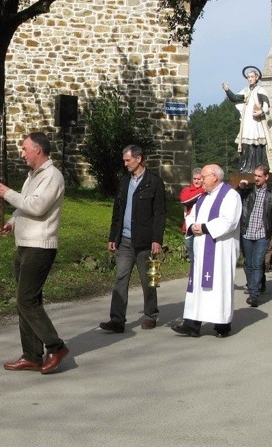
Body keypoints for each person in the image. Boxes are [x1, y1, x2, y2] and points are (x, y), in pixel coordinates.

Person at [0, 132, 69, 374]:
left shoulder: (52, 176)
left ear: (38, 149)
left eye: (25, 148)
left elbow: (37, 206)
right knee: (28, 300)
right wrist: (11, 222)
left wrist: (8, 194)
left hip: (41, 246)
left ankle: (56, 347)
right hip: (25, 244)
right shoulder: (32, 177)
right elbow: (25, 205)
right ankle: (32, 354)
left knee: (25, 299)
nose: (22, 153)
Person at [100, 144, 166, 332]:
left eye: (128, 160)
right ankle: (117, 320)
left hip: (145, 242)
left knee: (147, 280)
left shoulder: (154, 182)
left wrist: (157, 239)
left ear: (139, 159)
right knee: (120, 278)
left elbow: (160, 213)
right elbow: (117, 211)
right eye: (124, 160)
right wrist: (113, 236)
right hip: (125, 241)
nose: (125, 164)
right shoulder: (124, 182)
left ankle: (150, 315)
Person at [172, 164, 241, 337]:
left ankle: (222, 325)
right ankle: (192, 324)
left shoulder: (231, 196)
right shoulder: (203, 197)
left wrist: (204, 227)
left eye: (203, 177)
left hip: (220, 251)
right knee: (197, 286)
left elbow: (229, 221)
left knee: (219, 285)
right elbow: (191, 216)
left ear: (215, 177)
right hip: (201, 248)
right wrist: (193, 226)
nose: (200, 180)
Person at [238, 164, 272, 307]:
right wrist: (240, 187)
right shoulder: (248, 191)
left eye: (259, 176)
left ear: (266, 177)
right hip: (247, 232)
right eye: (255, 176)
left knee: (257, 264)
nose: (256, 178)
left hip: (263, 233)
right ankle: (252, 287)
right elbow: (235, 199)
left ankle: (254, 294)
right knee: (248, 264)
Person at [221, 66, 271, 173]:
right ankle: (245, 167)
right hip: (247, 121)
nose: (250, 79)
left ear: (256, 78)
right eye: (248, 77)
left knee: (256, 144)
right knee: (246, 144)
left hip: (256, 121)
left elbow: (266, 104)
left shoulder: (260, 90)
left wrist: (261, 111)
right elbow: (235, 98)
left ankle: (258, 167)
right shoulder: (246, 91)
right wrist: (227, 90)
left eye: (252, 77)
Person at [179, 169, 204, 263]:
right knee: (193, 259)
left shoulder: (208, 192)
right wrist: (203, 190)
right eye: (194, 179)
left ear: (203, 179)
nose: (196, 181)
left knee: (201, 259)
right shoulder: (187, 190)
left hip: (202, 228)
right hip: (189, 228)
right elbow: (185, 200)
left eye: (199, 179)